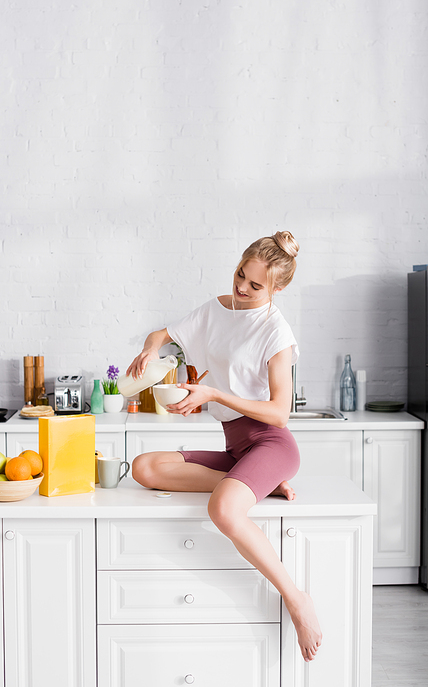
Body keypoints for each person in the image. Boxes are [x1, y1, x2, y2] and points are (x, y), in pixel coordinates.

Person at [127, 231, 322, 663]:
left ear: (278, 289)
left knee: (223, 510)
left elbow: (279, 413)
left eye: (256, 286)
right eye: (240, 275)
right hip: (237, 449)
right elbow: (163, 332)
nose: (242, 289)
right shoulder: (219, 308)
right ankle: (257, 484)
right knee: (143, 468)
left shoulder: (276, 332)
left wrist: (213, 394)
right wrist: (147, 350)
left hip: (271, 443)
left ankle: (296, 599)